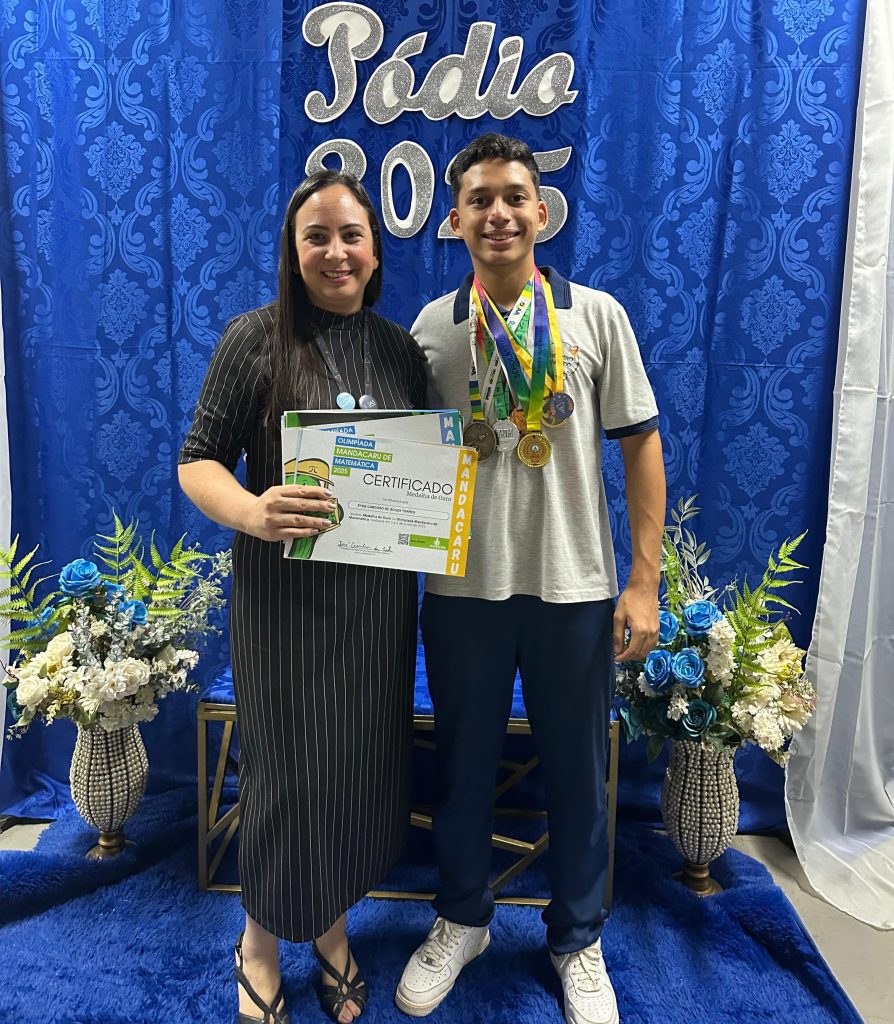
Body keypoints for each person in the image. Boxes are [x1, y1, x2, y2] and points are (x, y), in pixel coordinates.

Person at [396, 134, 666, 1024]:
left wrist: (642, 583)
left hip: (574, 587)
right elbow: (397, 462)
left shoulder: (597, 316)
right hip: (463, 592)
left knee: (580, 775)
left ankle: (576, 938)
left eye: (514, 196)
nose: (499, 213)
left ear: (541, 212)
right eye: (480, 199)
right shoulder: (433, 328)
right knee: (463, 768)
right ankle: (462, 919)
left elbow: (642, 443)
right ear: (455, 220)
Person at [179, 171, 425, 1024]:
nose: (335, 251)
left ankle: (329, 927)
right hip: (283, 605)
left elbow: (425, 471)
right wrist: (252, 510)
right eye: (316, 235)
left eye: (351, 235)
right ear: (292, 251)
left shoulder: (399, 351)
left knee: (354, 769)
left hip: (376, 610)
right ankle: (257, 940)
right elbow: (197, 460)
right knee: (285, 775)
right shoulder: (253, 339)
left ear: (376, 251)